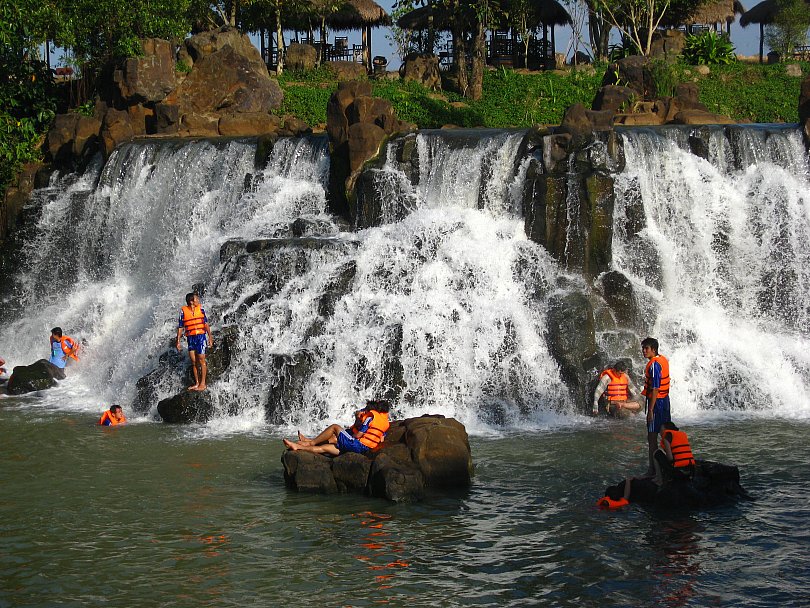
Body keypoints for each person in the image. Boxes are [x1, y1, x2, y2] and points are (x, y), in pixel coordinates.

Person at [283, 400, 391, 456]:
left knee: (335, 427)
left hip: (357, 446)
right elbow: (381, 439)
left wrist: (353, 438)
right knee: (324, 448)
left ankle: (310, 443)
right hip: (364, 450)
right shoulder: (384, 424)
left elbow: (358, 435)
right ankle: (298, 446)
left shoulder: (370, 418)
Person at [641, 337, 671, 477]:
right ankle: (672, 462)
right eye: (643, 348)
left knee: (652, 437)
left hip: (657, 403)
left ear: (654, 349)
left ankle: (652, 470)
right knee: (665, 433)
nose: (644, 351)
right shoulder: (663, 359)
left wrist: (651, 410)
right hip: (665, 401)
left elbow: (655, 388)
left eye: (646, 348)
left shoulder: (654, 365)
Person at [175, 292, 213, 391]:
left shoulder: (201, 309)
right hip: (191, 338)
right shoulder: (183, 312)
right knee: (194, 361)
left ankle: (203, 383)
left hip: (200, 337)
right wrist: (178, 341)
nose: (198, 300)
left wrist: (210, 337)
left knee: (201, 359)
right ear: (191, 301)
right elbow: (180, 327)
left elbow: (206, 324)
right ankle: (197, 383)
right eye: (196, 299)